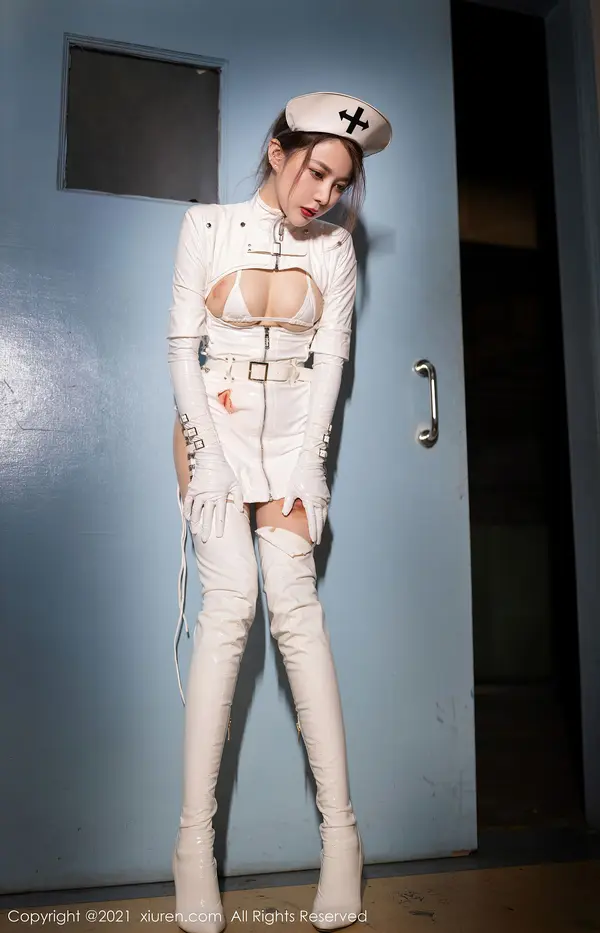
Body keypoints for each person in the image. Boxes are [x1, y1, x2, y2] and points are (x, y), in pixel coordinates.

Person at [167, 91, 392, 933]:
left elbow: (331, 363)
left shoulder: (334, 248)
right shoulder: (206, 225)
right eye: (316, 172)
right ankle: (193, 846)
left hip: (294, 437)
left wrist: (310, 470)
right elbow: (179, 349)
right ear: (277, 152)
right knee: (229, 607)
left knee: (297, 614)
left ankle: (343, 841)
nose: (324, 195)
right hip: (213, 426)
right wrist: (208, 456)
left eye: (339, 184)